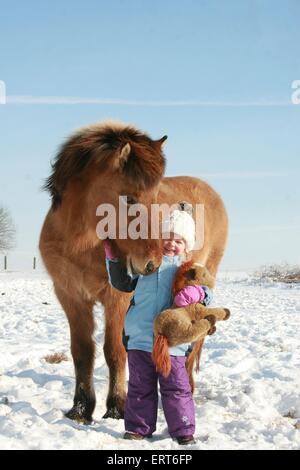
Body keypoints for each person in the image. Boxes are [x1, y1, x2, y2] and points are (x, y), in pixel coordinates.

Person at [104, 208, 212, 445]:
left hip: (171, 343)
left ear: (187, 245)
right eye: (167, 237)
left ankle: (183, 429)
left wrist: (197, 292)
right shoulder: (147, 263)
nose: (171, 244)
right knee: (139, 387)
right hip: (140, 338)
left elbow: (207, 294)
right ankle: (138, 428)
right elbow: (122, 282)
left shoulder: (191, 269)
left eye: (178, 240)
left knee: (176, 388)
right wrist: (113, 258)